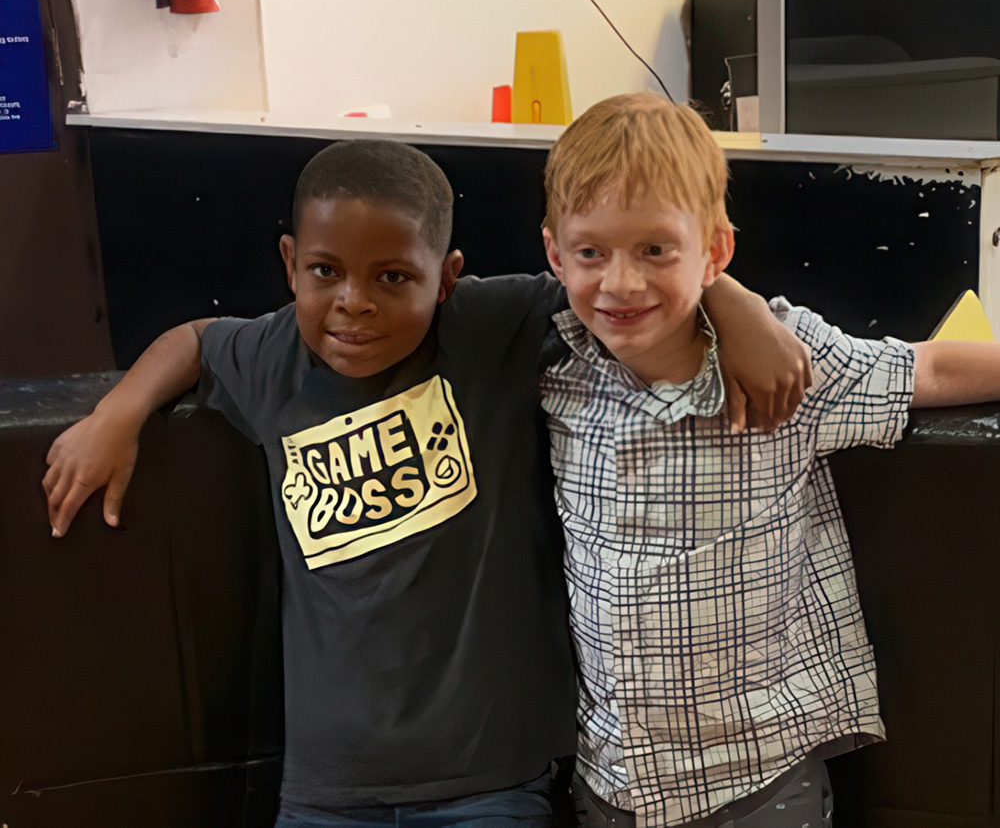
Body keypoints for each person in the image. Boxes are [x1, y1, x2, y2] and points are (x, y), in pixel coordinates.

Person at [42, 138, 810, 827]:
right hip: (325, 790)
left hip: (488, 784)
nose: (354, 302)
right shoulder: (272, 358)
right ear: (289, 264)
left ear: (446, 280)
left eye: (393, 277)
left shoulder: (488, 327)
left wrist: (737, 305)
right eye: (324, 272)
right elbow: (198, 340)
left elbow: (622, 284)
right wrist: (119, 413)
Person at [537, 91, 1000, 828]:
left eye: (656, 250)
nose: (621, 282)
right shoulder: (551, 368)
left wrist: (731, 304)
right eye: (592, 253)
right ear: (556, 254)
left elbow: (930, 371)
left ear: (715, 252)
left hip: (758, 778)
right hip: (612, 783)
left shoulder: (789, 362)